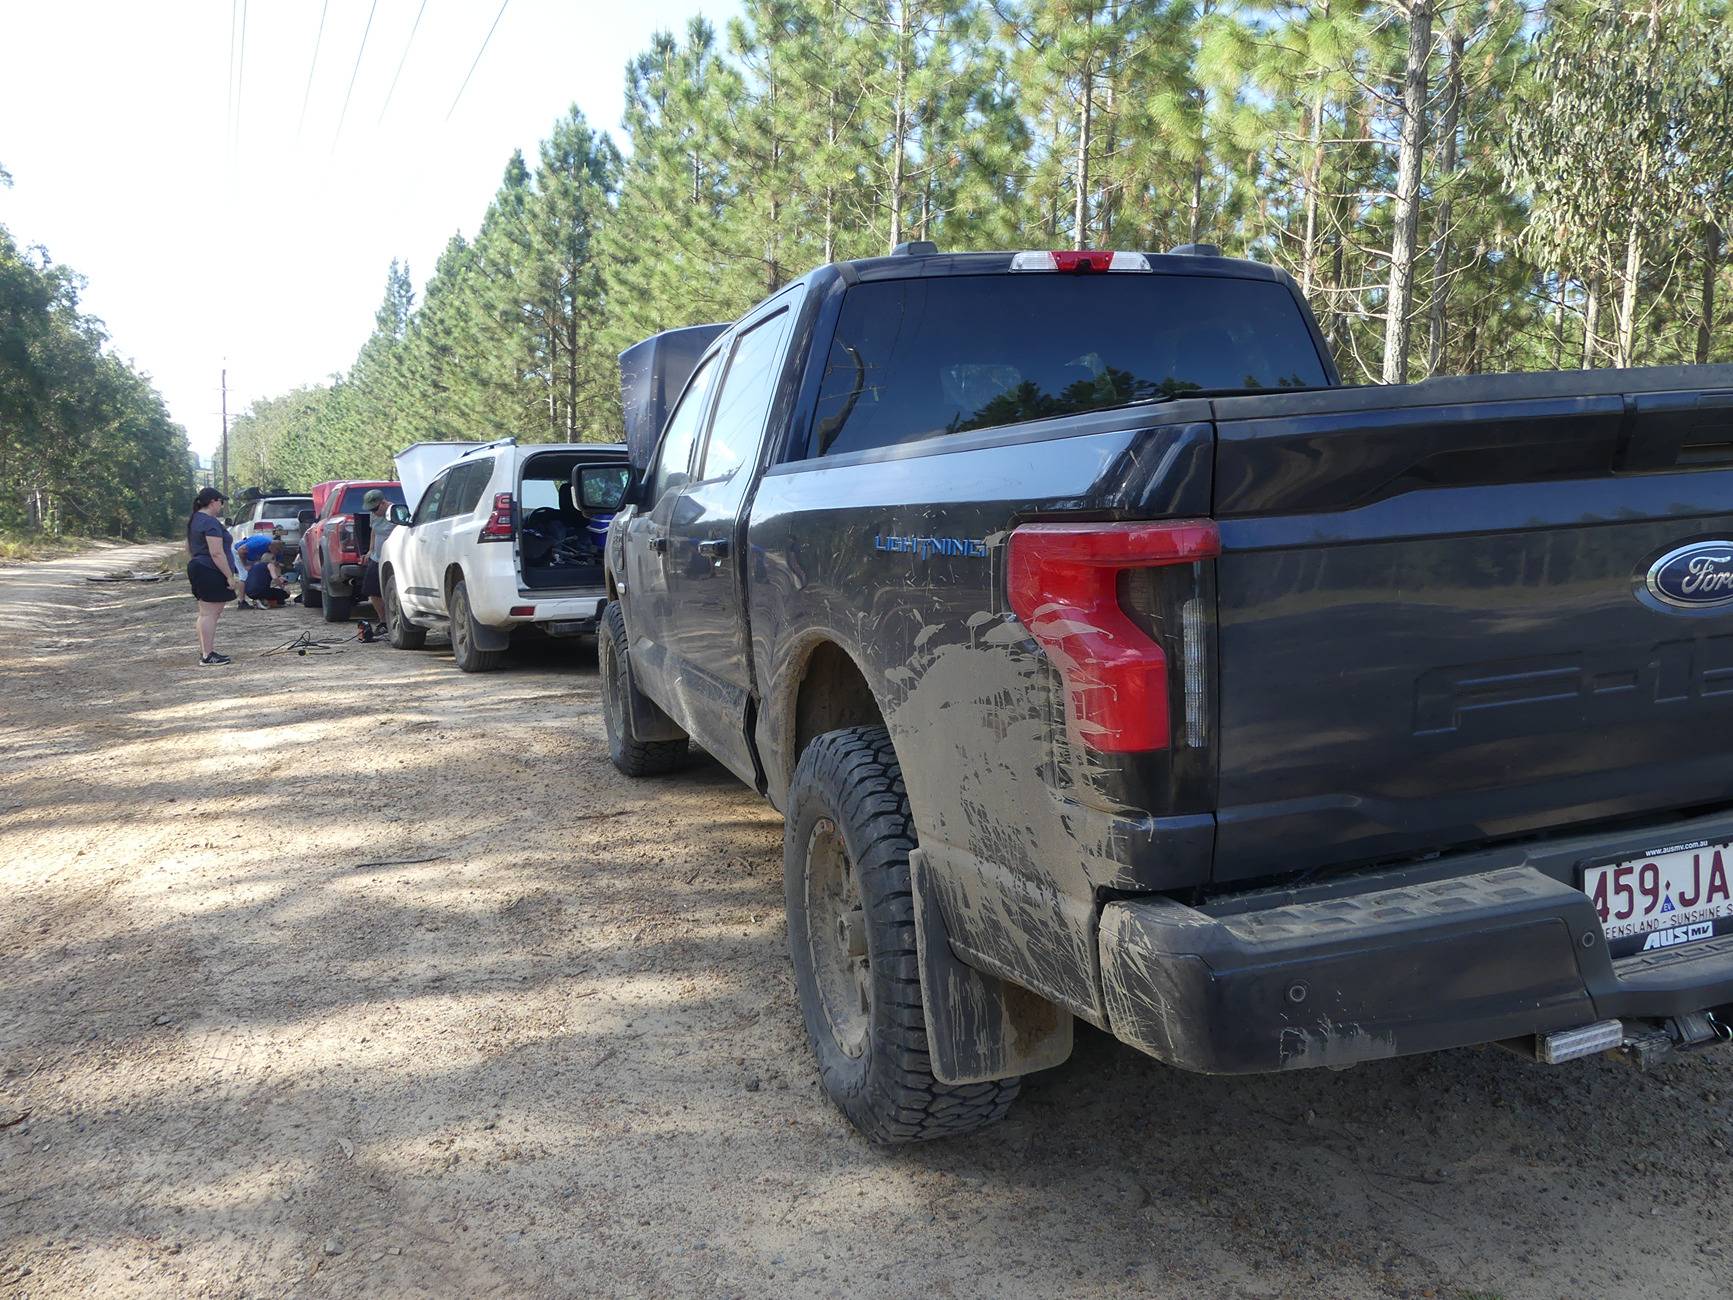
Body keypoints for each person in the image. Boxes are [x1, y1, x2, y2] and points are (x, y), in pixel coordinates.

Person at [185, 487, 241, 665]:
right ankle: (207, 655)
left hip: (198, 567)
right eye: (220, 501)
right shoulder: (210, 523)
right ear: (213, 502)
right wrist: (229, 576)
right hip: (210, 570)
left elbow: (187, 548)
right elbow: (216, 553)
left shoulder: (195, 520)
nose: (221, 505)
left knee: (205, 613)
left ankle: (205, 651)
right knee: (210, 614)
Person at [360, 488, 397, 624]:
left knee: (392, 591)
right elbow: (374, 531)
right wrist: (370, 550)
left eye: (375, 509)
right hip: (377, 557)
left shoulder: (395, 513)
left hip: (392, 558)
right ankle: (383, 621)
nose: (373, 512)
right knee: (371, 589)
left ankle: (393, 620)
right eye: (371, 510)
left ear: (383, 503)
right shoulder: (374, 515)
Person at [242, 540, 290, 607]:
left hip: (249, 593)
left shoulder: (254, 566)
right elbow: (275, 578)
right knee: (284, 594)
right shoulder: (270, 565)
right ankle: (274, 602)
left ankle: (260, 600)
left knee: (268, 590)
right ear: (272, 559)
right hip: (261, 591)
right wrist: (282, 587)